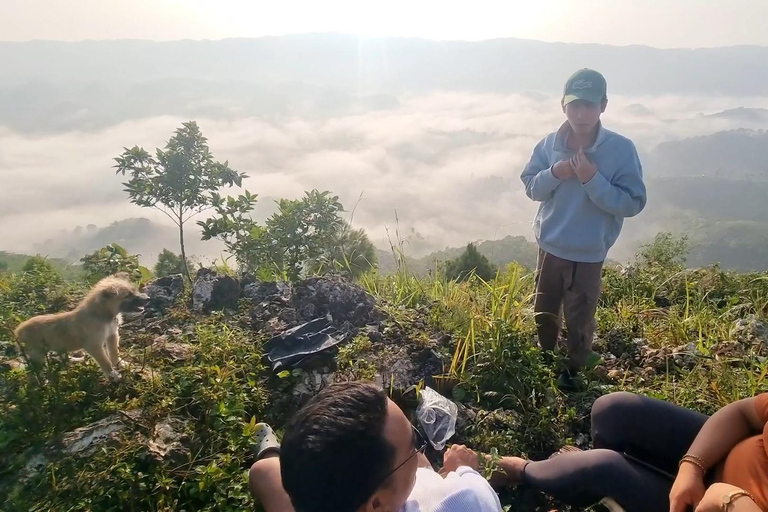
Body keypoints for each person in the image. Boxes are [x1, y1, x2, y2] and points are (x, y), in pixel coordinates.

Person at [520, 68, 647, 389]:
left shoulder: (620, 150)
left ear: (603, 105)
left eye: (589, 105)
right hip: (549, 247)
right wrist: (555, 172)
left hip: (588, 254)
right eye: (575, 105)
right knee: (544, 311)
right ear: (562, 104)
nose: (581, 113)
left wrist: (592, 178)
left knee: (579, 319)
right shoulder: (549, 145)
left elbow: (632, 203)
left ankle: (575, 375)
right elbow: (532, 187)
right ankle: (545, 363)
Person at [248, 381, 504, 512]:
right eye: (414, 443)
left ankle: (272, 453)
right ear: (377, 504)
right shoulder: (466, 500)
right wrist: (462, 469)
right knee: (429, 464)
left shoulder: (310, 491)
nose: (419, 447)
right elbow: (477, 490)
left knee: (264, 471)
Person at [494, 391, 767, 512]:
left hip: (718, 506)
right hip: (719, 459)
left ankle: (523, 470)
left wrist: (728, 501)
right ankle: (611, 490)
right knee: (613, 410)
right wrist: (692, 466)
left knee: (603, 467)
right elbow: (743, 413)